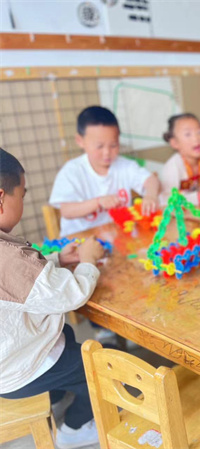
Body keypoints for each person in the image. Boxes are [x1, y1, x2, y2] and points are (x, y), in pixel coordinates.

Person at [0, 148, 106, 449]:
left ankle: (57, 396)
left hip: (10, 356)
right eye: (22, 194)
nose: (23, 199)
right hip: (17, 369)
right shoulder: (6, 258)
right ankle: (74, 429)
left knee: (68, 333)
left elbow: (25, 285)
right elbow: (70, 295)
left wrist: (57, 258)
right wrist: (88, 260)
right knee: (97, 371)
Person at [49, 106, 160, 237]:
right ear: (80, 141)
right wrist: (98, 202)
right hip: (80, 242)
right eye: (99, 146)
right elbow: (66, 211)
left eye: (113, 145)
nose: (107, 152)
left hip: (117, 238)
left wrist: (150, 195)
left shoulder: (124, 166)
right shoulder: (71, 172)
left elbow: (151, 180)